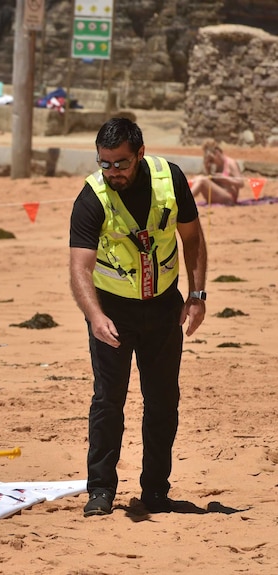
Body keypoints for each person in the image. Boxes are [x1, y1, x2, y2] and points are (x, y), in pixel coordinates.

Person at [69, 117, 207, 517]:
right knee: (108, 402)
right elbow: (80, 267)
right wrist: (94, 315)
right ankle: (100, 491)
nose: (113, 172)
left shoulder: (171, 179)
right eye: (105, 163)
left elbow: (193, 238)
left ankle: (155, 492)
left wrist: (197, 296)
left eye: (121, 164)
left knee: (163, 402)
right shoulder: (92, 197)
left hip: (164, 306)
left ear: (140, 154)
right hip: (112, 311)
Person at [189, 139, 243, 205]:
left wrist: (226, 179)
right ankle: (182, 199)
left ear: (217, 152)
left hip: (229, 197)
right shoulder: (216, 165)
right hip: (217, 195)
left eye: (212, 159)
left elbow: (241, 183)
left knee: (201, 180)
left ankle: (184, 202)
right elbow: (212, 183)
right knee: (197, 179)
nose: (212, 162)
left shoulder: (231, 163)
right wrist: (207, 169)